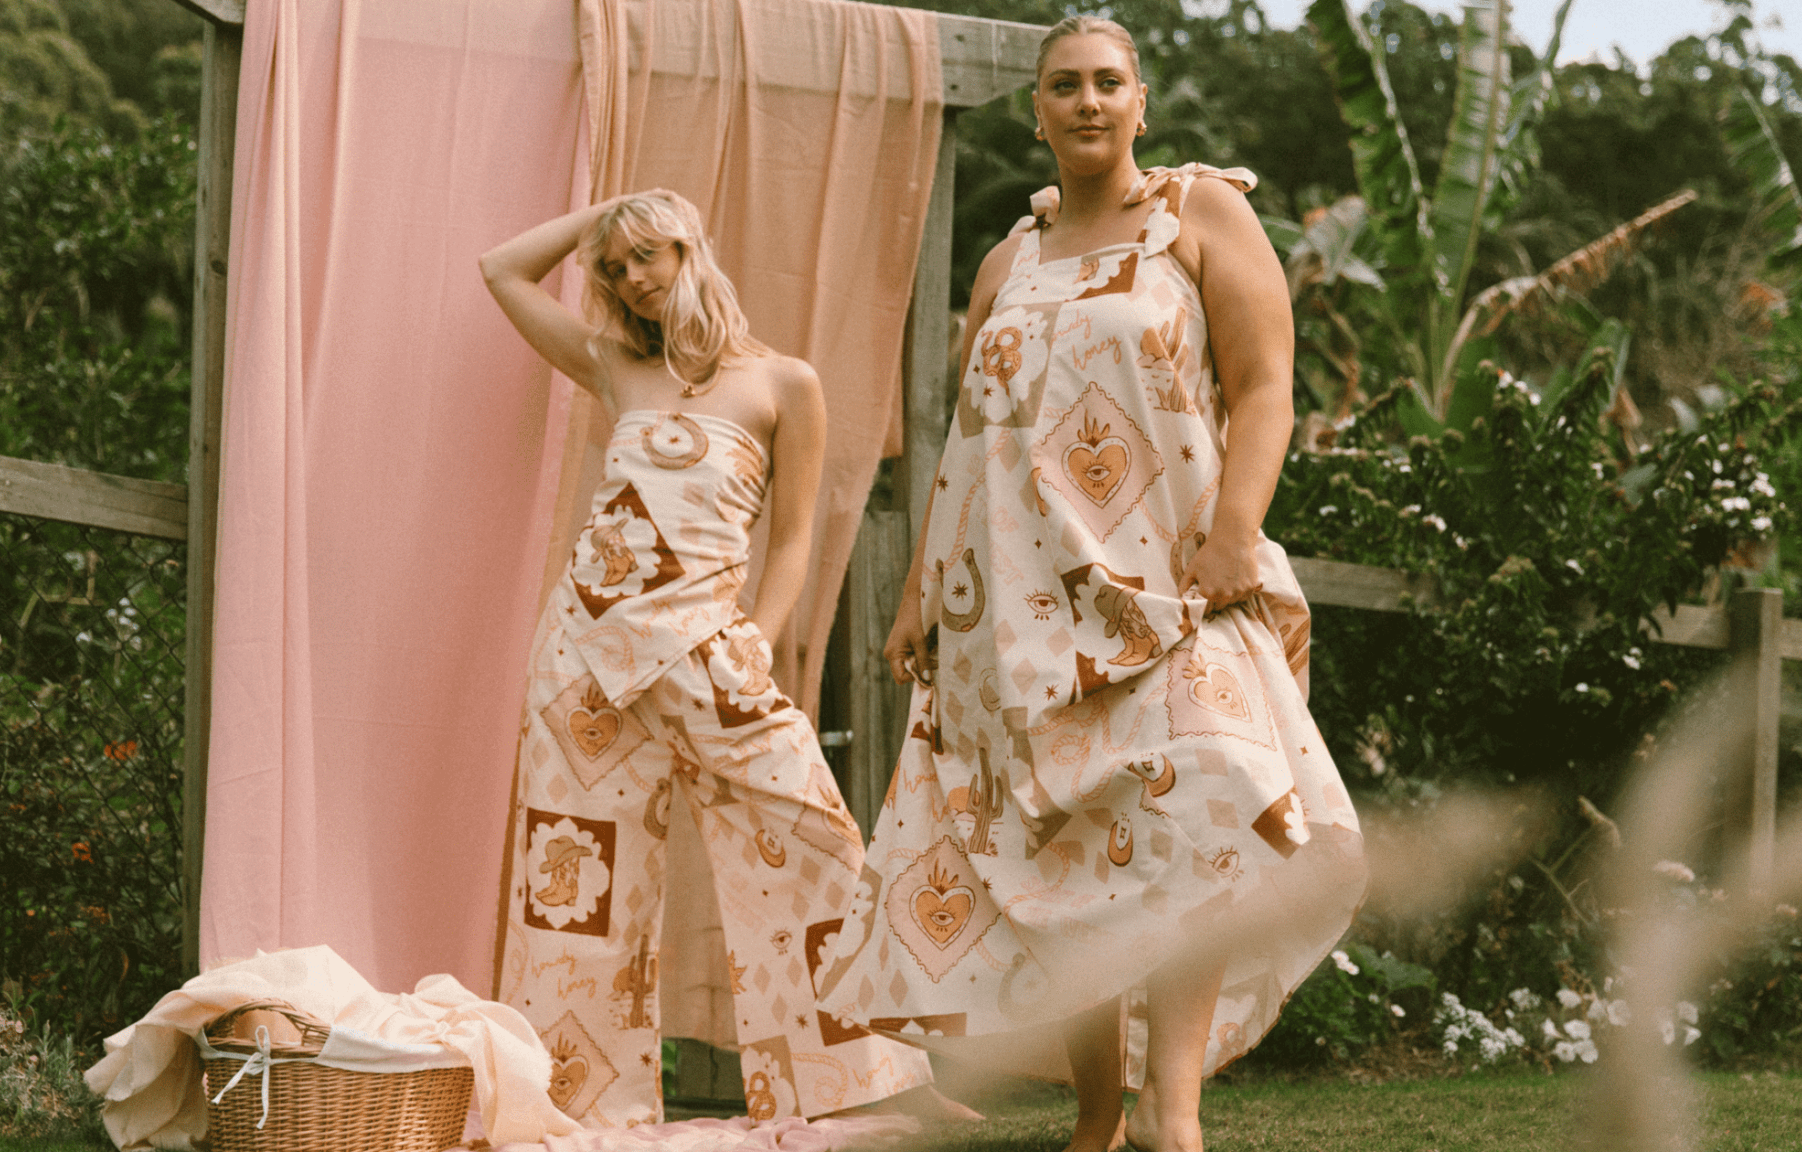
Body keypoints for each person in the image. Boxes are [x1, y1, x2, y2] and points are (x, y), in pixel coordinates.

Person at [812, 16, 1367, 1152]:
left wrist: (1234, 534)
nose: (1084, 101)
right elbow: (967, 441)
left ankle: (1174, 1115)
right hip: (1010, 611)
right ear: (1036, 109)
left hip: (1169, 589)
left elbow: (1266, 386)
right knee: (1055, 855)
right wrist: (920, 589)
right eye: (1061, 85)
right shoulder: (1003, 265)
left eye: (1106, 82)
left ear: (1140, 102)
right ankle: (1095, 1117)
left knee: (1207, 805)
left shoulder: (1199, 214)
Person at [478, 190, 936, 1127]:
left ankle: (860, 1088)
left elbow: (796, 539)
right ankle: (581, 1107)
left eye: (648, 254)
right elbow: (501, 270)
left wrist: (757, 640)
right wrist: (606, 212)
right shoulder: (614, 366)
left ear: (693, 247)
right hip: (583, 657)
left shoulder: (782, 384)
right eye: (614, 268)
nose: (632, 279)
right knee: (578, 887)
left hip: (706, 651)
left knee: (813, 839)